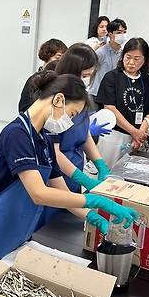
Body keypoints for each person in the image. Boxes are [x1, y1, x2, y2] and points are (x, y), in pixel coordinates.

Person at [0, 71, 139, 297]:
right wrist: (94, 200)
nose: (70, 122)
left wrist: (97, 219)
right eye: (73, 114)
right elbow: (39, 193)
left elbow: (61, 193)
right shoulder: (17, 134)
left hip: (20, 225)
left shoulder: (44, 138)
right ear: (58, 100)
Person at [50, 44, 112, 193]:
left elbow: (84, 134)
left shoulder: (80, 95)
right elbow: (54, 153)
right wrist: (84, 179)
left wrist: (100, 164)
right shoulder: (55, 99)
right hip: (55, 174)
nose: (86, 80)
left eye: (89, 75)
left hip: (74, 169)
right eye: (83, 75)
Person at [96, 38, 149, 150]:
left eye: (137, 59)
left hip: (137, 138)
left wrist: (140, 133)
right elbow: (110, 108)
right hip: (113, 136)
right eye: (128, 57)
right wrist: (134, 132)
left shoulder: (148, 81)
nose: (131, 62)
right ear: (123, 56)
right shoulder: (112, 77)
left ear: (145, 60)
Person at [18, 39, 68, 112]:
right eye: (57, 57)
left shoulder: (62, 79)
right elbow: (23, 108)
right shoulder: (34, 80)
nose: (60, 61)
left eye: (63, 59)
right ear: (47, 56)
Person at [88, 18, 128, 97]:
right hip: (97, 93)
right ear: (110, 34)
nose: (122, 35)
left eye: (124, 32)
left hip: (113, 94)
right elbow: (90, 71)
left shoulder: (123, 54)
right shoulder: (101, 52)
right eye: (119, 32)